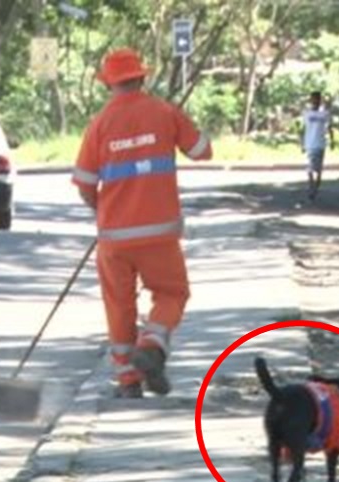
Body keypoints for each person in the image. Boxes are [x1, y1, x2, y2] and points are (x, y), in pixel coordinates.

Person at [72, 48, 213, 399]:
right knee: (172, 293)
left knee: (119, 305)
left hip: (114, 238)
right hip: (159, 233)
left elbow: (85, 184)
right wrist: (188, 124)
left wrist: (103, 210)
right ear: (142, 77)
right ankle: (151, 344)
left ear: (108, 84)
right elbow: (201, 151)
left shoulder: (99, 124)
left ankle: (128, 381)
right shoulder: (164, 112)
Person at [301, 91, 335, 200]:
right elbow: (303, 129)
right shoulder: (307, 113)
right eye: (313, 99)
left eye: (317, 99)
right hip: (310, 143)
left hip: (320, 144)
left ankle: (316, 187)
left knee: (319, 170)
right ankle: (312, 188)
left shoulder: (325, 114)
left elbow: (329, 127)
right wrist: (302, 143)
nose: (315, 101)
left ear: (320, 101)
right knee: (310, 168)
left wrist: (332, 140)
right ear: (310, 100)